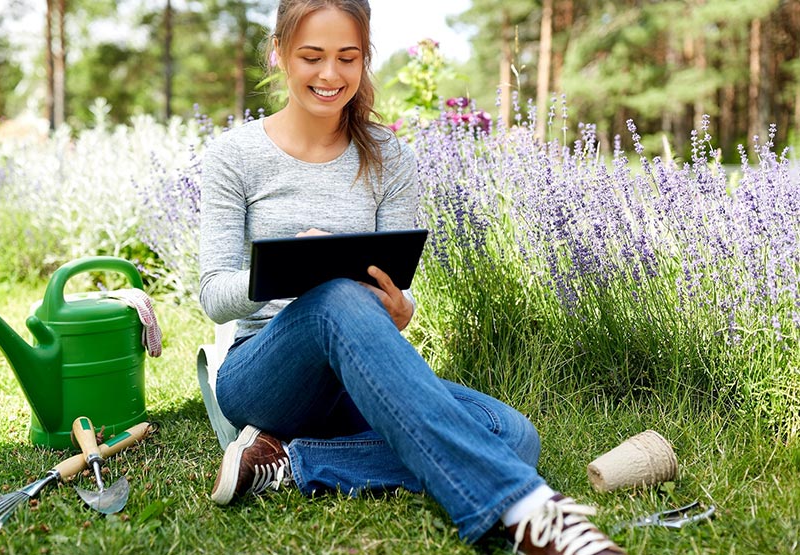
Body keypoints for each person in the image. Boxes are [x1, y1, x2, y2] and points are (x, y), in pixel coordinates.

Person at [197, 1, 625, 553]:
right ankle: (533, 515)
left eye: (347, 58)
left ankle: (289, 460)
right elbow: (213, 295)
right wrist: (288, 268)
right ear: (279, 54)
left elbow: (398, 286)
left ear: (364, 60)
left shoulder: (388, 157)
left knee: (511, 435)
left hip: (357, 370)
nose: (330, 75)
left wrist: (402, 309)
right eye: (311, 57)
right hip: (264, 374)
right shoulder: (235, 155)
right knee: (334, 298)